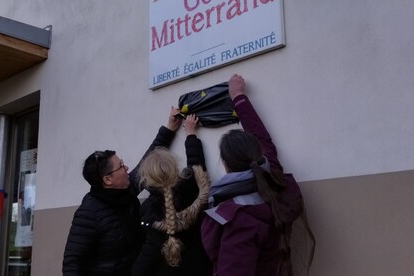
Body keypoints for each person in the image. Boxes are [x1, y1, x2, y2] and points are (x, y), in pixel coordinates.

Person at [201, 74, 315, 276]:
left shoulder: (238, 217)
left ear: (226, 165)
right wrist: (238, 96)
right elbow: (261, 136)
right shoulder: (274, 180)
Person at [62, 107, 183, 276]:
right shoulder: (88, 213)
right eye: (121, 166)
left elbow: (146, 163)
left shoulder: (125, 191)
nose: (126, 168)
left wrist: (169, 129)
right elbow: (72, 264)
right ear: (108, 179)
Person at [132, 114, 212, 276]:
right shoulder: (193, 190)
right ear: (175, 168)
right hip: (202, 268)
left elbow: (144, 263)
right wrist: (190, 133)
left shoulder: (149, 212)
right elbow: (197, 164)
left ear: (147, 181)